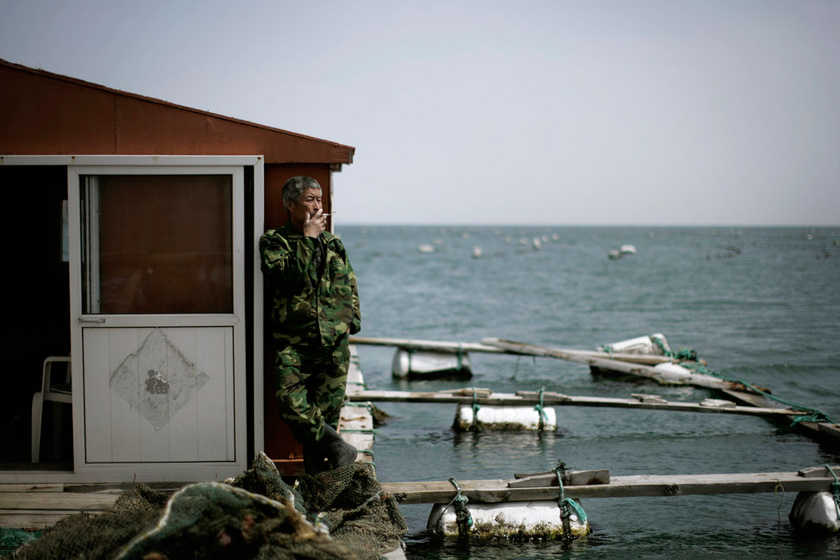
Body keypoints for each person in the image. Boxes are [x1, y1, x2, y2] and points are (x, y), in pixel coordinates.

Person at [259, 176, 361, 474]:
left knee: (326, 418)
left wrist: (352, 321)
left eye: (320, 199)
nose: (318, 205)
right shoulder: (274, 241)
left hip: (334, 346)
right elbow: (289, 277)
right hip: (294, 345)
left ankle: (321, 490)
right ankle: (341, 447)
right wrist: (307, 238)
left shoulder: (333, 244)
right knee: (291, 406)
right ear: (290, 204)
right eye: (310, 199)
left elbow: (350, 284)